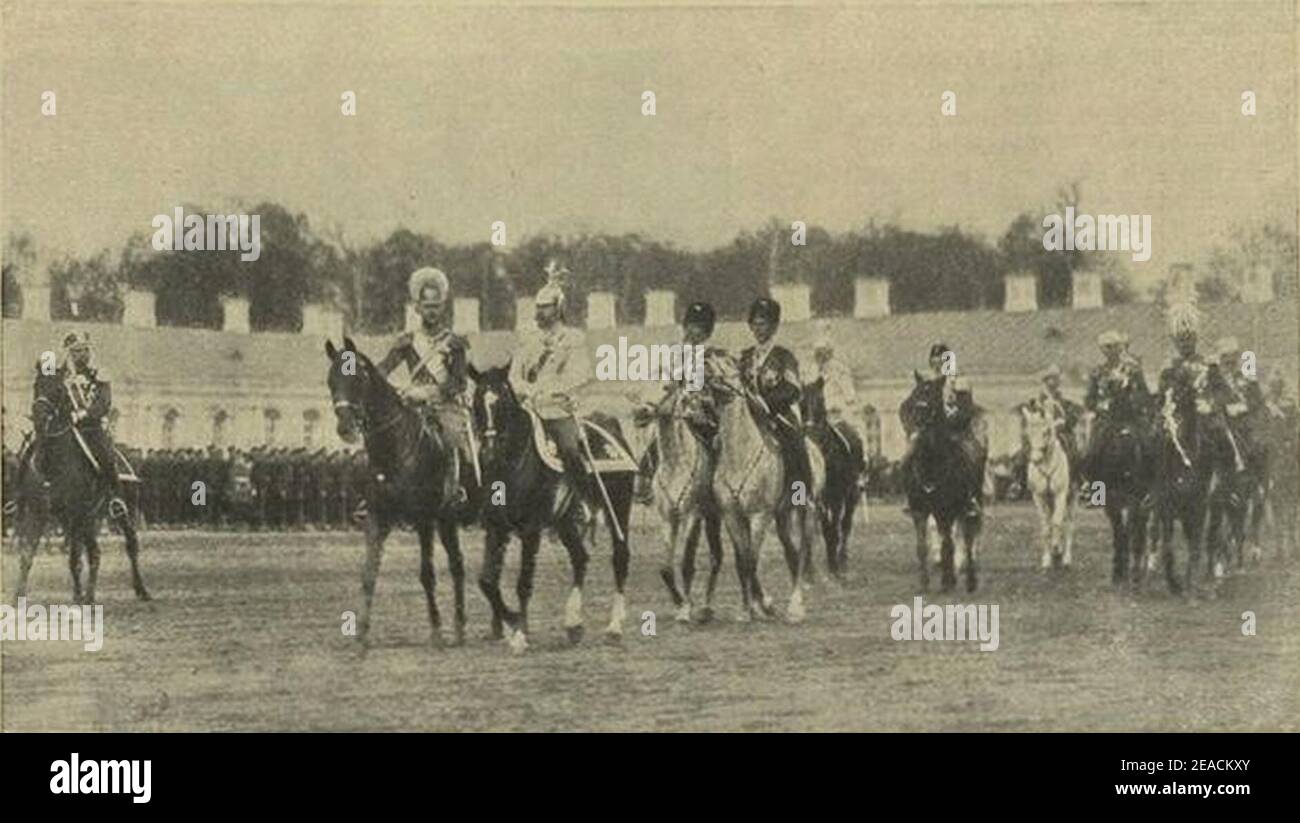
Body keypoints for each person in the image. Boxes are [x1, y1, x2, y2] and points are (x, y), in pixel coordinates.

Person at [377, 266, 474, 515]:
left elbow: (459, 382)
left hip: (444, 405)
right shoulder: (407, 342)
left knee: (454, 440)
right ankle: (377, 494)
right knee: (384, 436)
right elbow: (384, 368)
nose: (432, 311)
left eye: (437, 305)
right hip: (412, 404)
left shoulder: (454, 343)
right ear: (417, 308)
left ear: (443, 307)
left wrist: (431, 393)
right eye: (426, 305)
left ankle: (459, 490)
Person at [508, 260, 596, 519]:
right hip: (529, 409)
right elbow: (514, 375)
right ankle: (495, 500)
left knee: (569, 449)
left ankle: (581, 502)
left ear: (558, 308)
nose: (540, 313)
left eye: (545, 307)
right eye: (538, 308)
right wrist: (526, 390)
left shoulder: (573, 339)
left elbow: (581, 374)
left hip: (558, 410)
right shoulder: (528, 340)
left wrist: (552, 391)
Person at [632, 301, 726, 502]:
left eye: (701, 328)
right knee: (655, 440)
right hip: (671, 408)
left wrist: (699, 399)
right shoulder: (671, 352)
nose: (695, 332)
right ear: (685, 327)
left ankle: (716, 485)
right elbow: (657, 379)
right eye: (692, 326)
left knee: (715, 441)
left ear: (707, 333)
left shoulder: (711, 356)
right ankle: (646, 483)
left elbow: (709, 388)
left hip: (702, 413)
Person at [49, 331, 128, 518]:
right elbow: (57, 400)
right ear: (69, 354)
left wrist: (85, 413)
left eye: (84, 350)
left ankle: (116, 500)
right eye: (76, 351)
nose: (80, 355)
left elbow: (104, 402)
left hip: (92, 428)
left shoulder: (100, 375)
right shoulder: (62, 377)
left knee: (106, 459)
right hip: (69, 427)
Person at [899, 342, 982, 517]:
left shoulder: (959, 381)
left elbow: (967, 408)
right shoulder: (925, 383)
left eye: (942, 361)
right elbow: (906, 407)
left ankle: (971, 498)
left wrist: (955, 420)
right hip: (927, 432)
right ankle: (911, 498)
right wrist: (912, 428)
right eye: (934, 361)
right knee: (906, 459)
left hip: (956, 431)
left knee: (973, 456)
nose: (937, 364)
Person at [737, 296, 811, 490]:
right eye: (755, 324)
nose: (759, 328)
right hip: (746, 416)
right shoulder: (744, 357)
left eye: (764, 324)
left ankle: (799, 498)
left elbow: (793, 389)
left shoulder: (783, 356)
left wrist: (765, 403)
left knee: (796, 446)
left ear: (774, 327)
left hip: (777, 415)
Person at [805, 325, 865, 486]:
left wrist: (840, 406)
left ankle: (858, 473)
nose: (820, 357)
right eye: (818, 353)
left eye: (824, 352)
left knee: (853, 440)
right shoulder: (810, 371)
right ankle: (799, 492)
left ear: (830, 353)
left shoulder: (840, 370)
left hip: (835, 416)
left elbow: (850, 395)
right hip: (814, 418)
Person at [1031, 364, 1084, 484]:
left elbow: (1071, 416)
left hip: (1060, 432)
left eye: (1056, 379)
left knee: (1072, 449)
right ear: (1045, 381)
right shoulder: (1037, 401)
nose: (1053, 382)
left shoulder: (1063, 401)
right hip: (1041, 432)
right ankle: (1019, 482)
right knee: (1028, 450)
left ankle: (1076, 478)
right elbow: (1033, 418)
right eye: (1050, 378)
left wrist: (1064, 422)